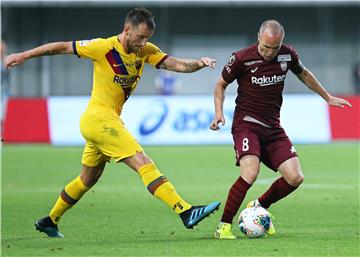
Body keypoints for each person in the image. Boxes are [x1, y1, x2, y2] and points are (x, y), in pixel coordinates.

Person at [5, 7, 220, 238]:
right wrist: (24, 55)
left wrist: (199, 63)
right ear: (127, 29)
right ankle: (185, 211)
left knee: (87, 179)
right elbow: (61, 47)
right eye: (140, 37)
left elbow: (176, 64)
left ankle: (50, 220)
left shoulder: (145, 50)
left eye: (147, 38)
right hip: (99, 119)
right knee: (142, 161)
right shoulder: (102, 47)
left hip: (103, 121)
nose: (143, 43)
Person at [210, 20, 352, 239]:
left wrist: (327, 97)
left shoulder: (287, 55)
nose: (269, 52)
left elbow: (304, 74)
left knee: (295, 177)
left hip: (273, 127)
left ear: (281, 43)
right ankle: (223, 226)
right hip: (246, 124)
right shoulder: (241, 58)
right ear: (259, 37)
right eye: (266, 47)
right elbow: (220, 84)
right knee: (250, 172)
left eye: (274, 48)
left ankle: (258, 205)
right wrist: (218, 113)